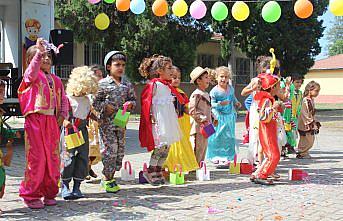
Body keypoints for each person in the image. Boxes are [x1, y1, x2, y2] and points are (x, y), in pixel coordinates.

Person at [18, 38, 68, 209]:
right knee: (37, 158)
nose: (46, 59)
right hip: (35, 120)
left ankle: (49, 192)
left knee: (52, 158)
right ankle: (31, 194)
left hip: (51, 122)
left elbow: (64, 100)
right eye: (41, 56)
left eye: (48, 56)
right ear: (30, 60)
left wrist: (63, 114)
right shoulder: (31, 77)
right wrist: (38, 53)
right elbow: (30, 73)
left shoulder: (56, 79)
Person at [93, 51, 136, 193]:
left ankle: (111, 175)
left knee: (120, 152)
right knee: (110, 150)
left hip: (121, 122)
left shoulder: (127, 84)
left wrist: (130, 104)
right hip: (107, 123)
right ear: (108, 67)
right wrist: (105, 107)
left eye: (123, 65)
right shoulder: (102, 84)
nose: (120, 68)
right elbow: (95, 102)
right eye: (117, 65)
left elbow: (133, 100)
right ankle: (107, 178)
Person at [139, 55, 185, 185]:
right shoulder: (154, 85)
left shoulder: (168, 86)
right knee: (159, 147)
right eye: (169, 68)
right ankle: (150, 170)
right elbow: (147, 101)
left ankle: (159, 170)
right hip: (159, 120)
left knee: (167, 147)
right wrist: (150, 116)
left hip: (168, 119)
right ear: (159, 71)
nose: (172, 71)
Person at [60, 66, 98, 200]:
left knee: (82, 157)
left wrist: (96, 118)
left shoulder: (87, 99)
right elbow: (61, 115)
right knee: (68, 157)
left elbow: (87, 113)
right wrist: (65, 122)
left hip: (82, 130)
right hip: (70, 131)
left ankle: (77, 186)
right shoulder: (67, 99)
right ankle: (64, 185)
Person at [163, 66, 199, 173]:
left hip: (181, 122)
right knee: (171, 145)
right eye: (173, 77)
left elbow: (186, 106)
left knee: (182, 144)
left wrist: (193, 113)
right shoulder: (165, 92)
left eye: (178, 77)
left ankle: (182, 166)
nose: (176, 80)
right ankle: (169, 165)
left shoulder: (181, 93)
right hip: (170, 123)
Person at [206, 66, 241, 166]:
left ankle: (227, 156)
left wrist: (237, 103)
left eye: (226, 77)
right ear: (216, 77)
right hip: (218, 116)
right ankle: (214, 156)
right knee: (216, 136)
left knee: (228, 137)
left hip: (229, 116)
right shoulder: (214, 91)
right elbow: (211, 104)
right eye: (221, 76)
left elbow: (233, 97)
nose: (223, 79)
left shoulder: (230, 88)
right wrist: (220, 104)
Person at [251, 74, 281, 185]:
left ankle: (257, 174)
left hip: (270, 131)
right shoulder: (267, 100)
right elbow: (263, 117)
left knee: (270, 155)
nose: (279, 89)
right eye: (277, 86)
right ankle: (261, 175)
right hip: (267, 132)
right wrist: (274, 108)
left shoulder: (268, 99)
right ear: (272, 87)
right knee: (274, 155)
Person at [189, 67, 217, 164]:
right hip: (199, 126)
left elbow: (209, 108)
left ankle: (200, 165)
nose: (208, 79)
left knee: (204, 146)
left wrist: (213, 117)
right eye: (205, 77)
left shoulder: (206, 94)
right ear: (198, 81)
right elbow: (192, 110)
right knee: (198, 146)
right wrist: (201, 118)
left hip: (207, 125)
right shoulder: (196, 94)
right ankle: (195, 166)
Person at [86, 65, 104, 180]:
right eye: (98, 75)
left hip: (99, 123)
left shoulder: (102, 89)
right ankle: (85, 169)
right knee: (89, 147)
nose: (101, 78)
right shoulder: (86, 91)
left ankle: (89, 167)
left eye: (101, 75)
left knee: (97, 149)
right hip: (90, 124)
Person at [297, 81, 321, 159]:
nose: (317, 93)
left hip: (309, 121)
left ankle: (304, 152)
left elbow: (311, 112)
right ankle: (302, 152)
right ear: (310, 90)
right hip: (305, 123)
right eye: (316, 91)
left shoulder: (311, 100)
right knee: (307, 139)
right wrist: (310, 122)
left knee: (310, 138)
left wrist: (315, 120)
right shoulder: (305, 100)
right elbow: (304, 113)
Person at [282, 75, 304, 154]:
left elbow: (300, 104)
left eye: (300, 82)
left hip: (295, 116)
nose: (299, 84)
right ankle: (283, 147)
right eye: (297, 82)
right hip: (288, 115)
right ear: (292, 83)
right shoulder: (289, 92)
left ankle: (291, 146)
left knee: (293, 132)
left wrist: (298, 113)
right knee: (286, 131)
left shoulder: (300, 93)